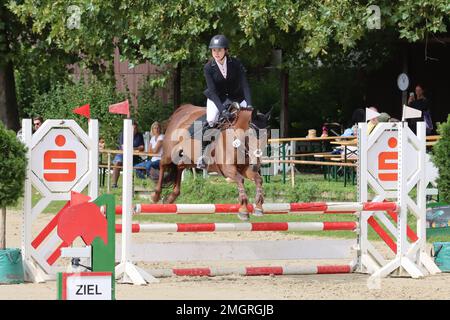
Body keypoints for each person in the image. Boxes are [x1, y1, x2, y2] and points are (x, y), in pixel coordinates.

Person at [197, 34, 253, 169]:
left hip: (236, 97)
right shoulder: (208, 68)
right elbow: (213, 91)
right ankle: (203, 156)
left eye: (219, 50)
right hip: (217, 98)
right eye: (214, 50)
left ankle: (254, 153)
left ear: (225, 50)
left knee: (251, 120)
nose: (216, 53)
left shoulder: (236, 64)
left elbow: (245, 85)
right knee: (210, 121)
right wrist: (222, 110)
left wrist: (250, 105)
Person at [111, 122, 145, 188]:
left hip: (134, 156)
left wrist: (133, 148)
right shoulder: (124, 134)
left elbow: (142, 147)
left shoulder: (139, 135)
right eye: (133, 128)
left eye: (135, 128)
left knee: (142, 165)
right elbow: (123, 147)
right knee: (117, 163)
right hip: (122, 154)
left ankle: (142, 186)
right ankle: (114, 184)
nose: (134, 130)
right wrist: (136, 148)